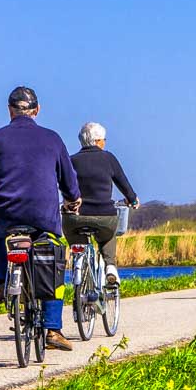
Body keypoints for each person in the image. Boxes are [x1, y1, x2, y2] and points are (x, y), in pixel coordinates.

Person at [0, 86, 81, 351]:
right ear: (37, 110)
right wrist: (72, 200)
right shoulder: (53, 139)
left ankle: (2, 281)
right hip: (43, 216)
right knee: (55, 258)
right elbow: (69, 184)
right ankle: (53, 329)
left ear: (10, 110)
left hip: (4, 213)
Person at [62, 122, 139, 284]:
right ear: (97, 141)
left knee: (75, 238)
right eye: (104, 139)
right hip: (104, 216)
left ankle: (81, 261)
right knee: (108, 236)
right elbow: (123, 184)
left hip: (76, 217)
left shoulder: (71, 161)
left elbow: (63, 184)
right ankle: (110, 266)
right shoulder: (108, 158)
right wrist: (132, 199)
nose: (105, 142)